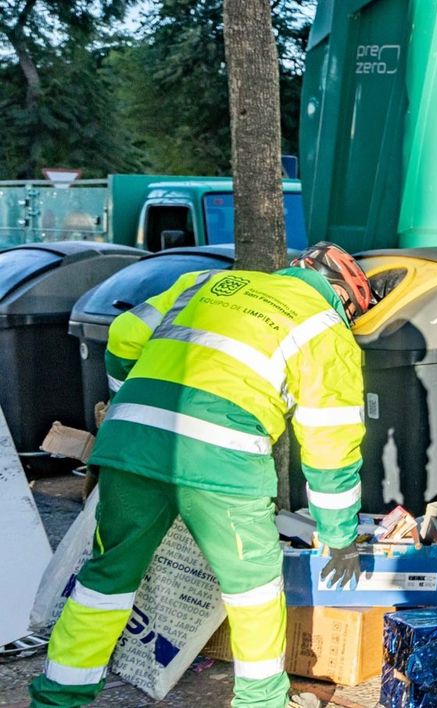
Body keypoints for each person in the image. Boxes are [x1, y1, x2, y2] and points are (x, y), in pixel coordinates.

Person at [30, 242, 375, 708]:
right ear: (342, 298)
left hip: (131, 444)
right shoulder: (325, 329)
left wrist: (126, 402)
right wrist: (339, 536)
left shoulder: (205, 282)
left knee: (107, 576)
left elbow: (124, 336)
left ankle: (58, 697)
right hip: (222, 459)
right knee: (252, 588)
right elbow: (330, 446)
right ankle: (261, 702)